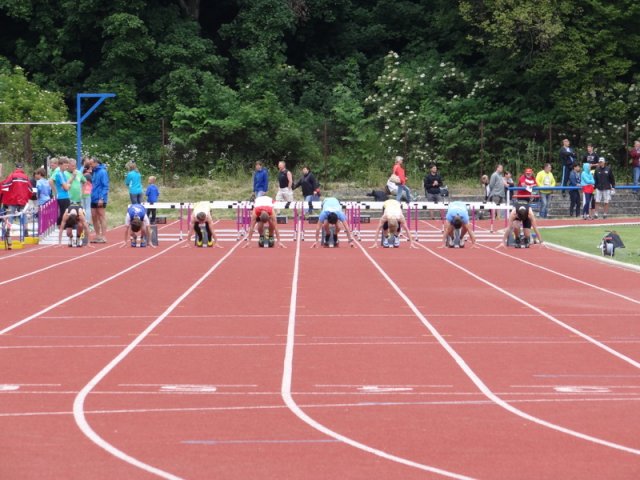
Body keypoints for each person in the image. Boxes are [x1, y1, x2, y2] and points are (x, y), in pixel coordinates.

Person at [90, 158, 109, 243]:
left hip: (100, 198)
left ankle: (104, 236)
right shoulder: (94, 172)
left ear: (96, 163)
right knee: (94, 216)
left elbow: (105, 186)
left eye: (91, 164)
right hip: (93, 197)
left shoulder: (102, 172)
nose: (90, 166)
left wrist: (101, 198)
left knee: (101, 216)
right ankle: (97, 235)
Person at [51, 157, 71, 226]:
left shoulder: (63, 174)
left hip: (65, 196)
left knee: (65, 213)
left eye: (67, 165)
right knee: (64, 214)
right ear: (60, 165)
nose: (67, 167)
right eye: (65, 165)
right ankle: (61, 227)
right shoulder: (59, 174)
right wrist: (55, 192)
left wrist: (67, 185)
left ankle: (61, 227)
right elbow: (66, 187)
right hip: (62, 197)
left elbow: (66, 185)